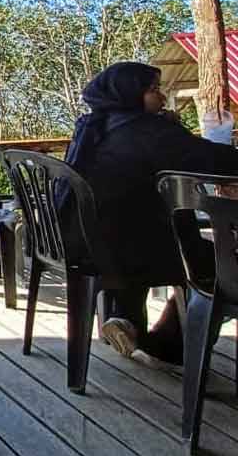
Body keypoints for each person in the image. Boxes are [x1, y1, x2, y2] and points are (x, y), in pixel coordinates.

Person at [64, 61, 238, 369]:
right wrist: (172, 129)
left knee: (148, 222)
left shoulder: (93, 126)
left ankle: (124, 319)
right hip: (124, 253)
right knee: (219, 261)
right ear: (130, 94)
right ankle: (170, 346)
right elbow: (218, 163)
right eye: (154, 89)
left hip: (81, 244)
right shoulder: (148, 131)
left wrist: (169, 126)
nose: (162, 95)